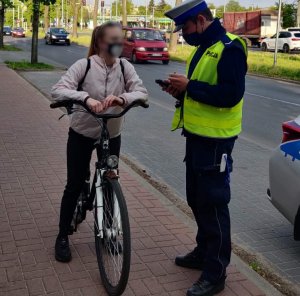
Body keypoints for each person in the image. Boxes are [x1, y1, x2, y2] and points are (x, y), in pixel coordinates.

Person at [163, 1, 248, 296]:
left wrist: (190, 87)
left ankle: (216, 273)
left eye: (185, 28)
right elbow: (201, 87)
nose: (183, 34)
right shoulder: (205, 47)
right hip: (197, 138)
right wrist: (181, 90)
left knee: (213, 204)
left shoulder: (230, 47)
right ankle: (203, 252)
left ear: (200, 21)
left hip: (217, 142)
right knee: (196, 199)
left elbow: (230, 95)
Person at [51, 21, 148, 263]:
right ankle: (62, 236)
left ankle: (108, 234)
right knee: (74, 184)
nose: (119, 44)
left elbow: (141, 92)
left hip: (112, 133)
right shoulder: (84, 65)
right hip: (82, 132)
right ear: (100, 42)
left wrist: (123, 99)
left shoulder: (125, 67)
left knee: (109, 182)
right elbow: (58, 90)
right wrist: (85, 99)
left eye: (121, 39)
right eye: (113, 40)